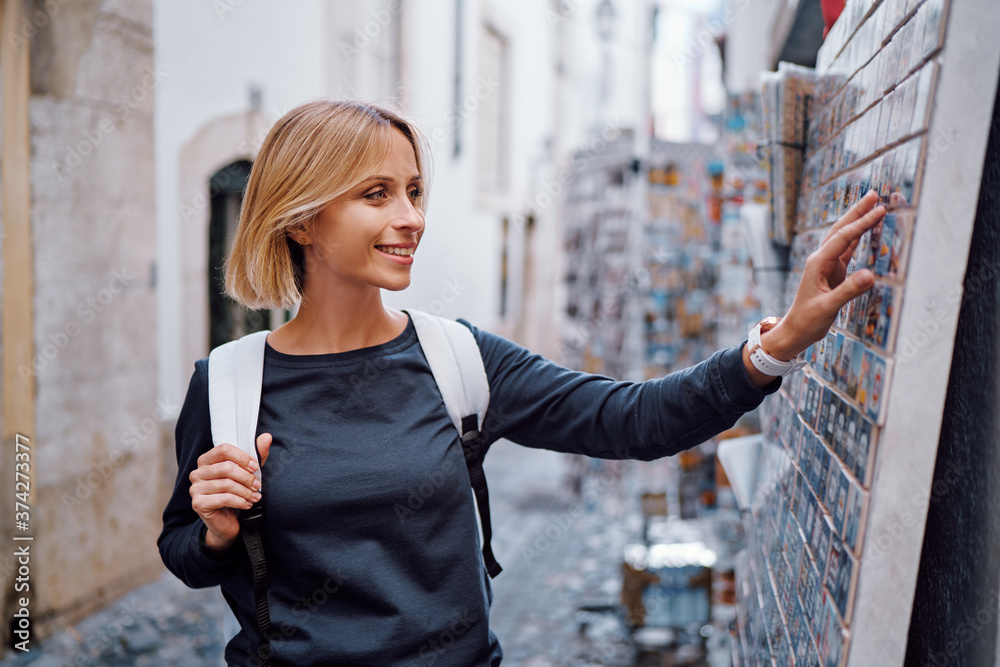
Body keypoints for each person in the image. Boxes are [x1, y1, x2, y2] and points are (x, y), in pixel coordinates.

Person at [158, 99, 885, 666]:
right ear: (304, 218)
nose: (411, 217)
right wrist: (218, 533)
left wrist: (778, 344)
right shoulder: (227, 382)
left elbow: (633, 419)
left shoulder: (459, 358)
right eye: (376, 194)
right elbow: (183, 550)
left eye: (414, 190)